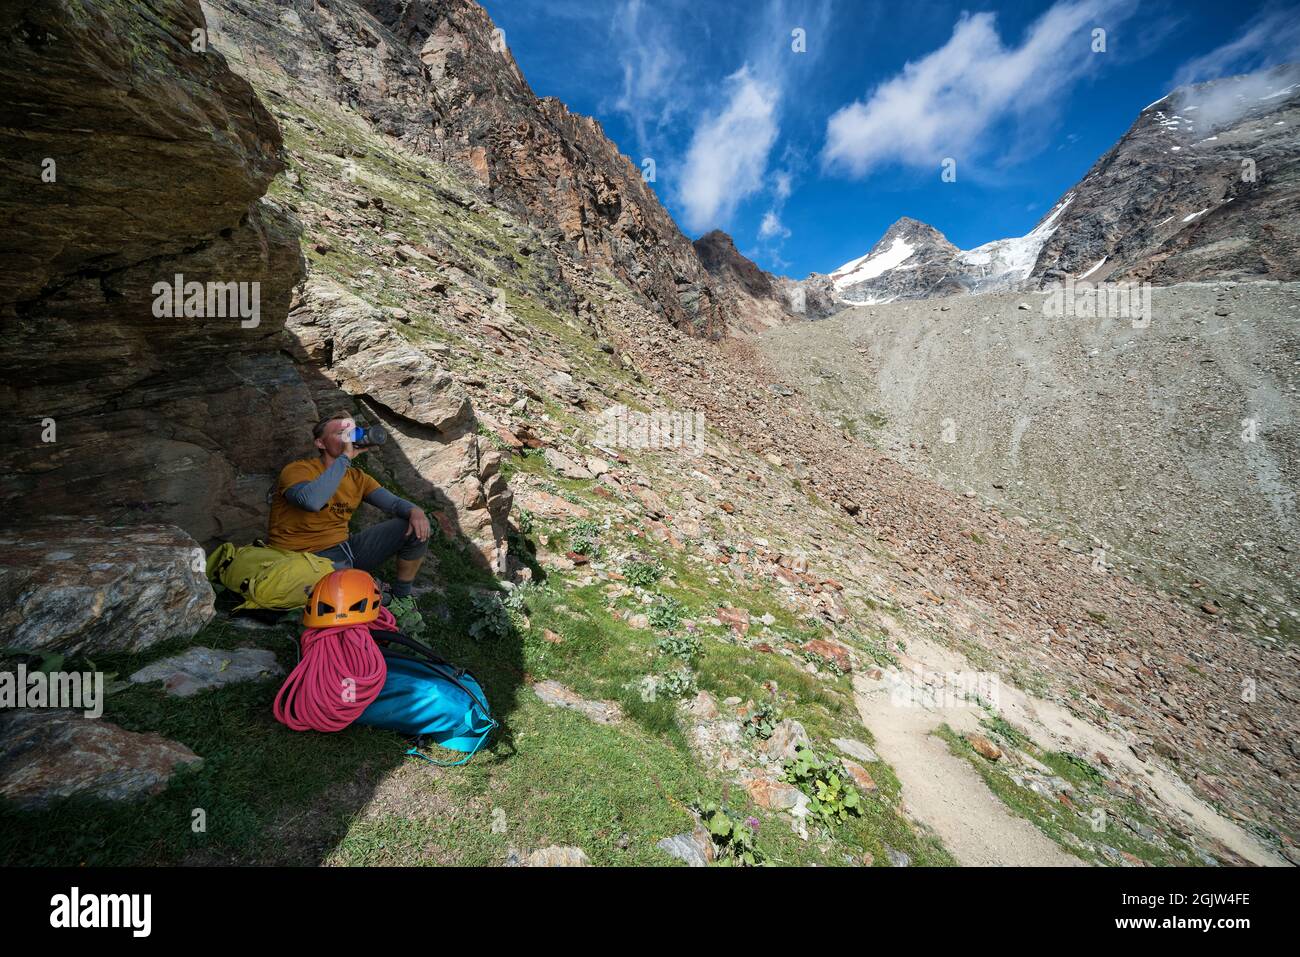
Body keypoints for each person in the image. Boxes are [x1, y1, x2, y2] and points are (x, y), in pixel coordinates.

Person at [268, 411, 429, 630]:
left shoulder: (358, 478)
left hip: (345, 550)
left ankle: (402, 597)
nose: (348, 438)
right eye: (340, 433)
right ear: (320, 442)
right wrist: (344, 458)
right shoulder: (298, 470)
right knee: (346, 592)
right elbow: (312, 501)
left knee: (413, 526)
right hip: (302, 558)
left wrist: (416, 511)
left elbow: (393, 504)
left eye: (350, 433)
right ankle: (365, 587)